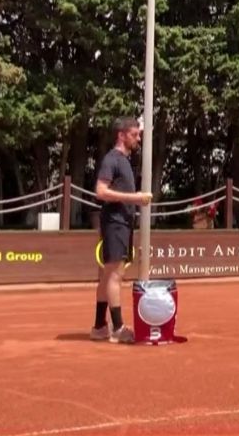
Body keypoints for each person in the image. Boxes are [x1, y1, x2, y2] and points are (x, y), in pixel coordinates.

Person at [90, 117, 153, 343]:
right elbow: (100, 191)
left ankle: (100, 327)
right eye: (134, 135)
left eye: (138, 134)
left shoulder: (123, 160)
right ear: (121, 135)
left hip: (120, 223)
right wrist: (134, 198)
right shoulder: (112, 159)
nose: (138, 139)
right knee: (115, 275)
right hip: (115, 222)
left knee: (107, 275)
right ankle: (117, 328)